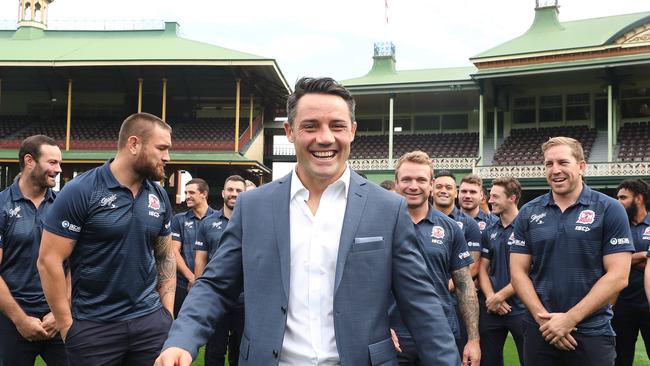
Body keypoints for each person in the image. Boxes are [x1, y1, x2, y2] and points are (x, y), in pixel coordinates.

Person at [156, 77, 460, 366]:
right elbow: (217, 286)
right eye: (310, 126)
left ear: (352, 130)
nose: (325, 138)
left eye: (337, 126)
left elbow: (422, 305)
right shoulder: (254, 206)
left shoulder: (388, 209)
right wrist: (180, 340)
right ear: (290, 131)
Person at [37, 113, 176, 366]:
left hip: (150, 323)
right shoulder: (81, 191)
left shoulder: (159, 196)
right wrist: (68, 326)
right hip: (94, 327)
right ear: (133, 144)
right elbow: (49, 260)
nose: (167, 157)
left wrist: (166, 314)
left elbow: (165, 255)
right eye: (161, 148)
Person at [510, 136, 633, 366]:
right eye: (549, 164)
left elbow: (619, 276)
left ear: (581, 166)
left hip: (591, 331)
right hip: (540, 329)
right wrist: (545, 321)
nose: (555, 170)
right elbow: (518, 272)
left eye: (563, 162)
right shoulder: (528, 212)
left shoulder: (609, 209)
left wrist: (569, 319)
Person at [392, 151, 479, 366]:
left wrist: (474, 340)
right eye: (406, 179)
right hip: (394, 336)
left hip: (440, 332)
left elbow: (465, 285)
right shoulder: (380, 224)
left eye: (421, 180)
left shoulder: (450, 227)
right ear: (396, 183)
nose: (414, 186)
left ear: (431, 184)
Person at [0, 135, 67, 366]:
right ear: (29, 161)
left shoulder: (64, 206)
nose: (58, 169)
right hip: (11, 319)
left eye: (59, 163)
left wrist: (60, 312)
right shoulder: (2, 206)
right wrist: (20, 319)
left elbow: (77, 263)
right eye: (52, 162)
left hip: (58, 317)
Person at [194, 175, 246, 366]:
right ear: (223, 192)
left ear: (245, 194)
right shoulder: (208, 223)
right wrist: (199, 291)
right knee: (214, 350)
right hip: (217, 298)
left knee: (241, 352)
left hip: (244, 299)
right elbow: (201, 259)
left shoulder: (254, 222)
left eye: (239, 191)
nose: (234, 194)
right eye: (230, 190)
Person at [477, 176, 525, 366]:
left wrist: (500, 296)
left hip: (521, 307)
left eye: (495, 197)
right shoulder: (490, 230)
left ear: (512, 198)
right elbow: (482, 268)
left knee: (529, 358)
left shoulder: (527, 226)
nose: (490, 201)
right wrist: (491, 297)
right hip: (492, 308)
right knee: (489, 360)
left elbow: (528, 270)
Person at [615, 179, 650, 366]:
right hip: (622, 305)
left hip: (648, 304)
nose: (618, 201)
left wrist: (625, 261)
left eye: (623, 197)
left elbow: (619, 262)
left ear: (639, 198)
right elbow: (609, 263)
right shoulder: (617, 226)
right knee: (621, 359)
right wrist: (645, 255)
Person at [170, 178, 214, 317]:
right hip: (184, 284)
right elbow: (173, 251)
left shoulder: (218, 218)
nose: (187, 196)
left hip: (212, 284)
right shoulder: (178, 219)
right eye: (186, 192)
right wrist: (192, 278)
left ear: (204, 194)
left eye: (191, 192)